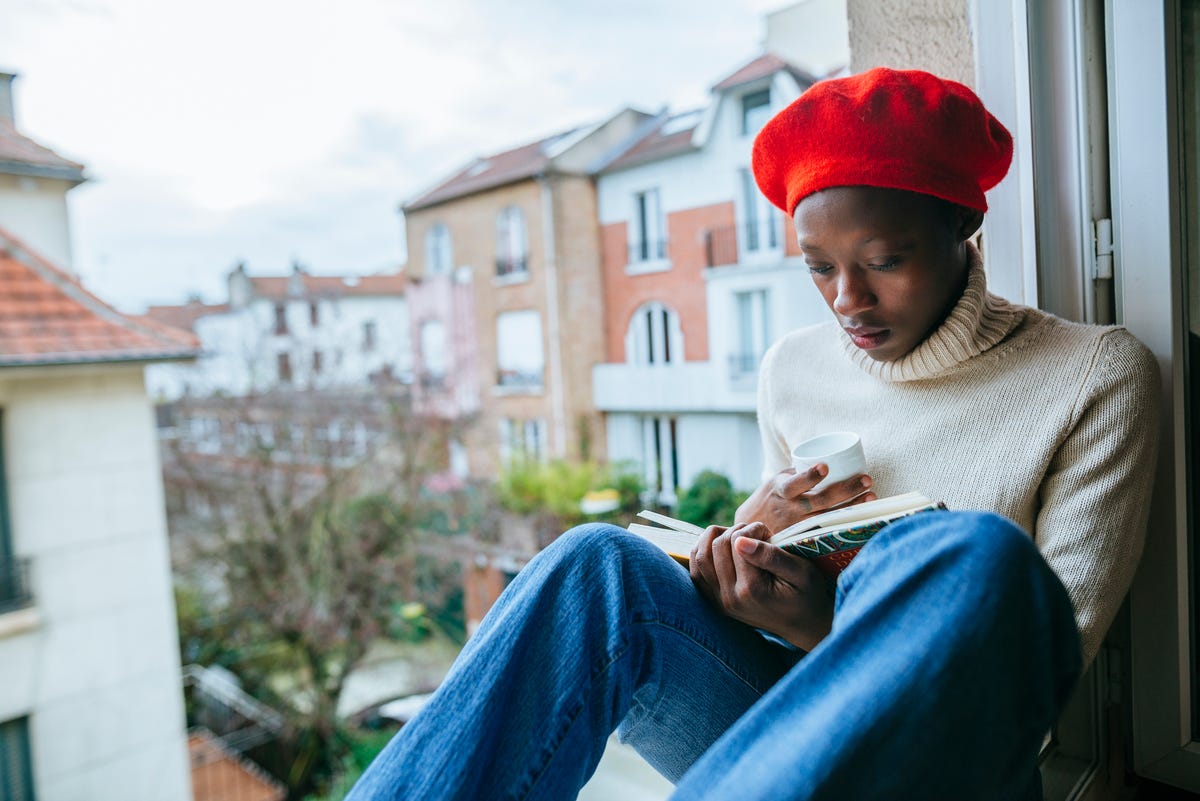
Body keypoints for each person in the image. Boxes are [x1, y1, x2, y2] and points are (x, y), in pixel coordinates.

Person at [346, 68, 1159, 801]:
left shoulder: (1091, 375)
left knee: (963, 555)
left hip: (950, 766)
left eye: (884, 260)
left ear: (962, 225)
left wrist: (823, 622)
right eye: (818, 266)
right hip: (780, 733)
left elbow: (1038, 670)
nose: (848, 299)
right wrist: (746, 560)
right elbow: (764, 626)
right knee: (597, 564)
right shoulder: (793, 368)